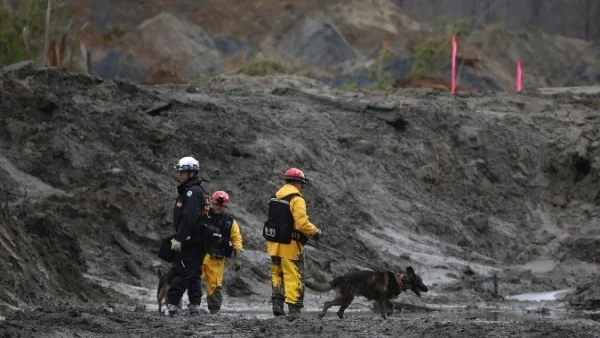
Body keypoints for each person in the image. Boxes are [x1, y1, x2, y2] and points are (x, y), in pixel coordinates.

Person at [263, 167, 321, 316]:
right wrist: (315, 232)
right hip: (290, 246)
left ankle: (277, 304)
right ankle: (294, 311)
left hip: (274, 245)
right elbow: (302, 224)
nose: (301, 187)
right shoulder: (297, 199)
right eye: (301, 184)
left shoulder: (274, 197)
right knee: (293, 276)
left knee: (277, 274)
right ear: (297, 183)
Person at [167, 156, 211, 316]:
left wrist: (179, 239)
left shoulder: (193, 191)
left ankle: (172, 305)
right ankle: (194, 306)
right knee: (193, 274)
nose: (180, 174)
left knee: (181, 271)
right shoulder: (194, 190)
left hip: (190, 241)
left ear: (192, 172)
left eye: (183, 172)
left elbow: (189, 217)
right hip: (195, 241)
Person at [201, 190, 244, 314]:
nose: (219, 207)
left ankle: (214, 310)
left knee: (214, 285)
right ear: (213, 203)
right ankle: (193, 305)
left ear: (225, 205)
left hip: (217, 258)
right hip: (200, 253)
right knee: (193, 279)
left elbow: (237, 239)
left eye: (221, 205)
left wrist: (238, 257)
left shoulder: (229, 221)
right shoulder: (204, 214)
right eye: (217, 204)